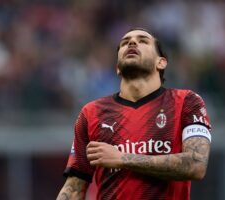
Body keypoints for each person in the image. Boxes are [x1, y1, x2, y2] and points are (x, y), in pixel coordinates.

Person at [57, 28, 212, 200]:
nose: (131, 43)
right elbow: (74, 188)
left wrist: (122, 158)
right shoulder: (91, 113)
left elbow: (196, 164)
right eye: (125, 42)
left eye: (143, 41)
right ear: (117, 68)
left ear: (161, 62)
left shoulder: (186, 102)